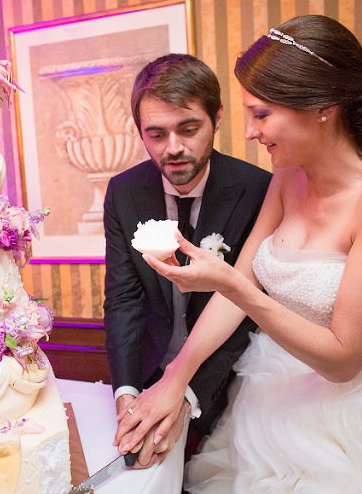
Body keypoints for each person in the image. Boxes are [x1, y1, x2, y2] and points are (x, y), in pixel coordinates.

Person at [115, 15, 362, 493]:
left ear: (322, 106)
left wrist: (232, 284)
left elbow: (344, 359)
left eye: (262, 114)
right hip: (276, 397)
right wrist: (173, 382)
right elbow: (237, 287)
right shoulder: (289, 178)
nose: (248, 132)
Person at [103, 53, 272, 470]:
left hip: (232, 387)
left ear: (216, 118)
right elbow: (123, 300)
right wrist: (126, 392)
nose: (173, 148)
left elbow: (247, 310)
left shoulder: (258, 190)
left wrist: (187, 396)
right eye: (156, 134)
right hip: (148, 377)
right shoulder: (123, 192)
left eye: (189, 129)